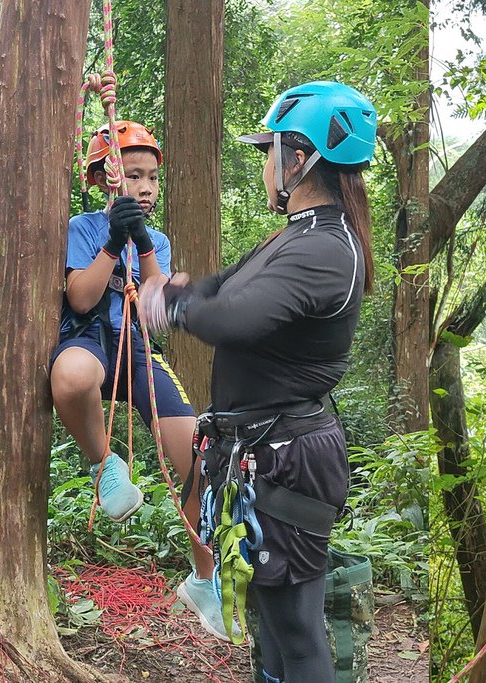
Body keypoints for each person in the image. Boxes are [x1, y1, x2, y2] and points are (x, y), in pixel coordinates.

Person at [137, 81, 376, 683]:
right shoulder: (300, 235)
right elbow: (221, 286)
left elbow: (233, 317)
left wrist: (172, 307)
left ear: (299, 159)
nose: (267, 165)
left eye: (269, 151)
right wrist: (154, 261)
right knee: (270, 627)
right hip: (264, 452)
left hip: (288, 458)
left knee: (295, 629)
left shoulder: (326, 248)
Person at [49, 120, 233, 641]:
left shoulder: (159, 240)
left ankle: (205, 580)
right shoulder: (81, 229)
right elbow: (82, 299)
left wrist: (142, 242)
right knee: (72, 376)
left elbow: (155, 312)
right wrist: (112, 241)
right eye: (133, 175)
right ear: (106, 179)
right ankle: (105, 464)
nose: (147, 186)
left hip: (136, 351)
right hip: (90, 341)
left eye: (152, 177)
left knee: (199, 458)